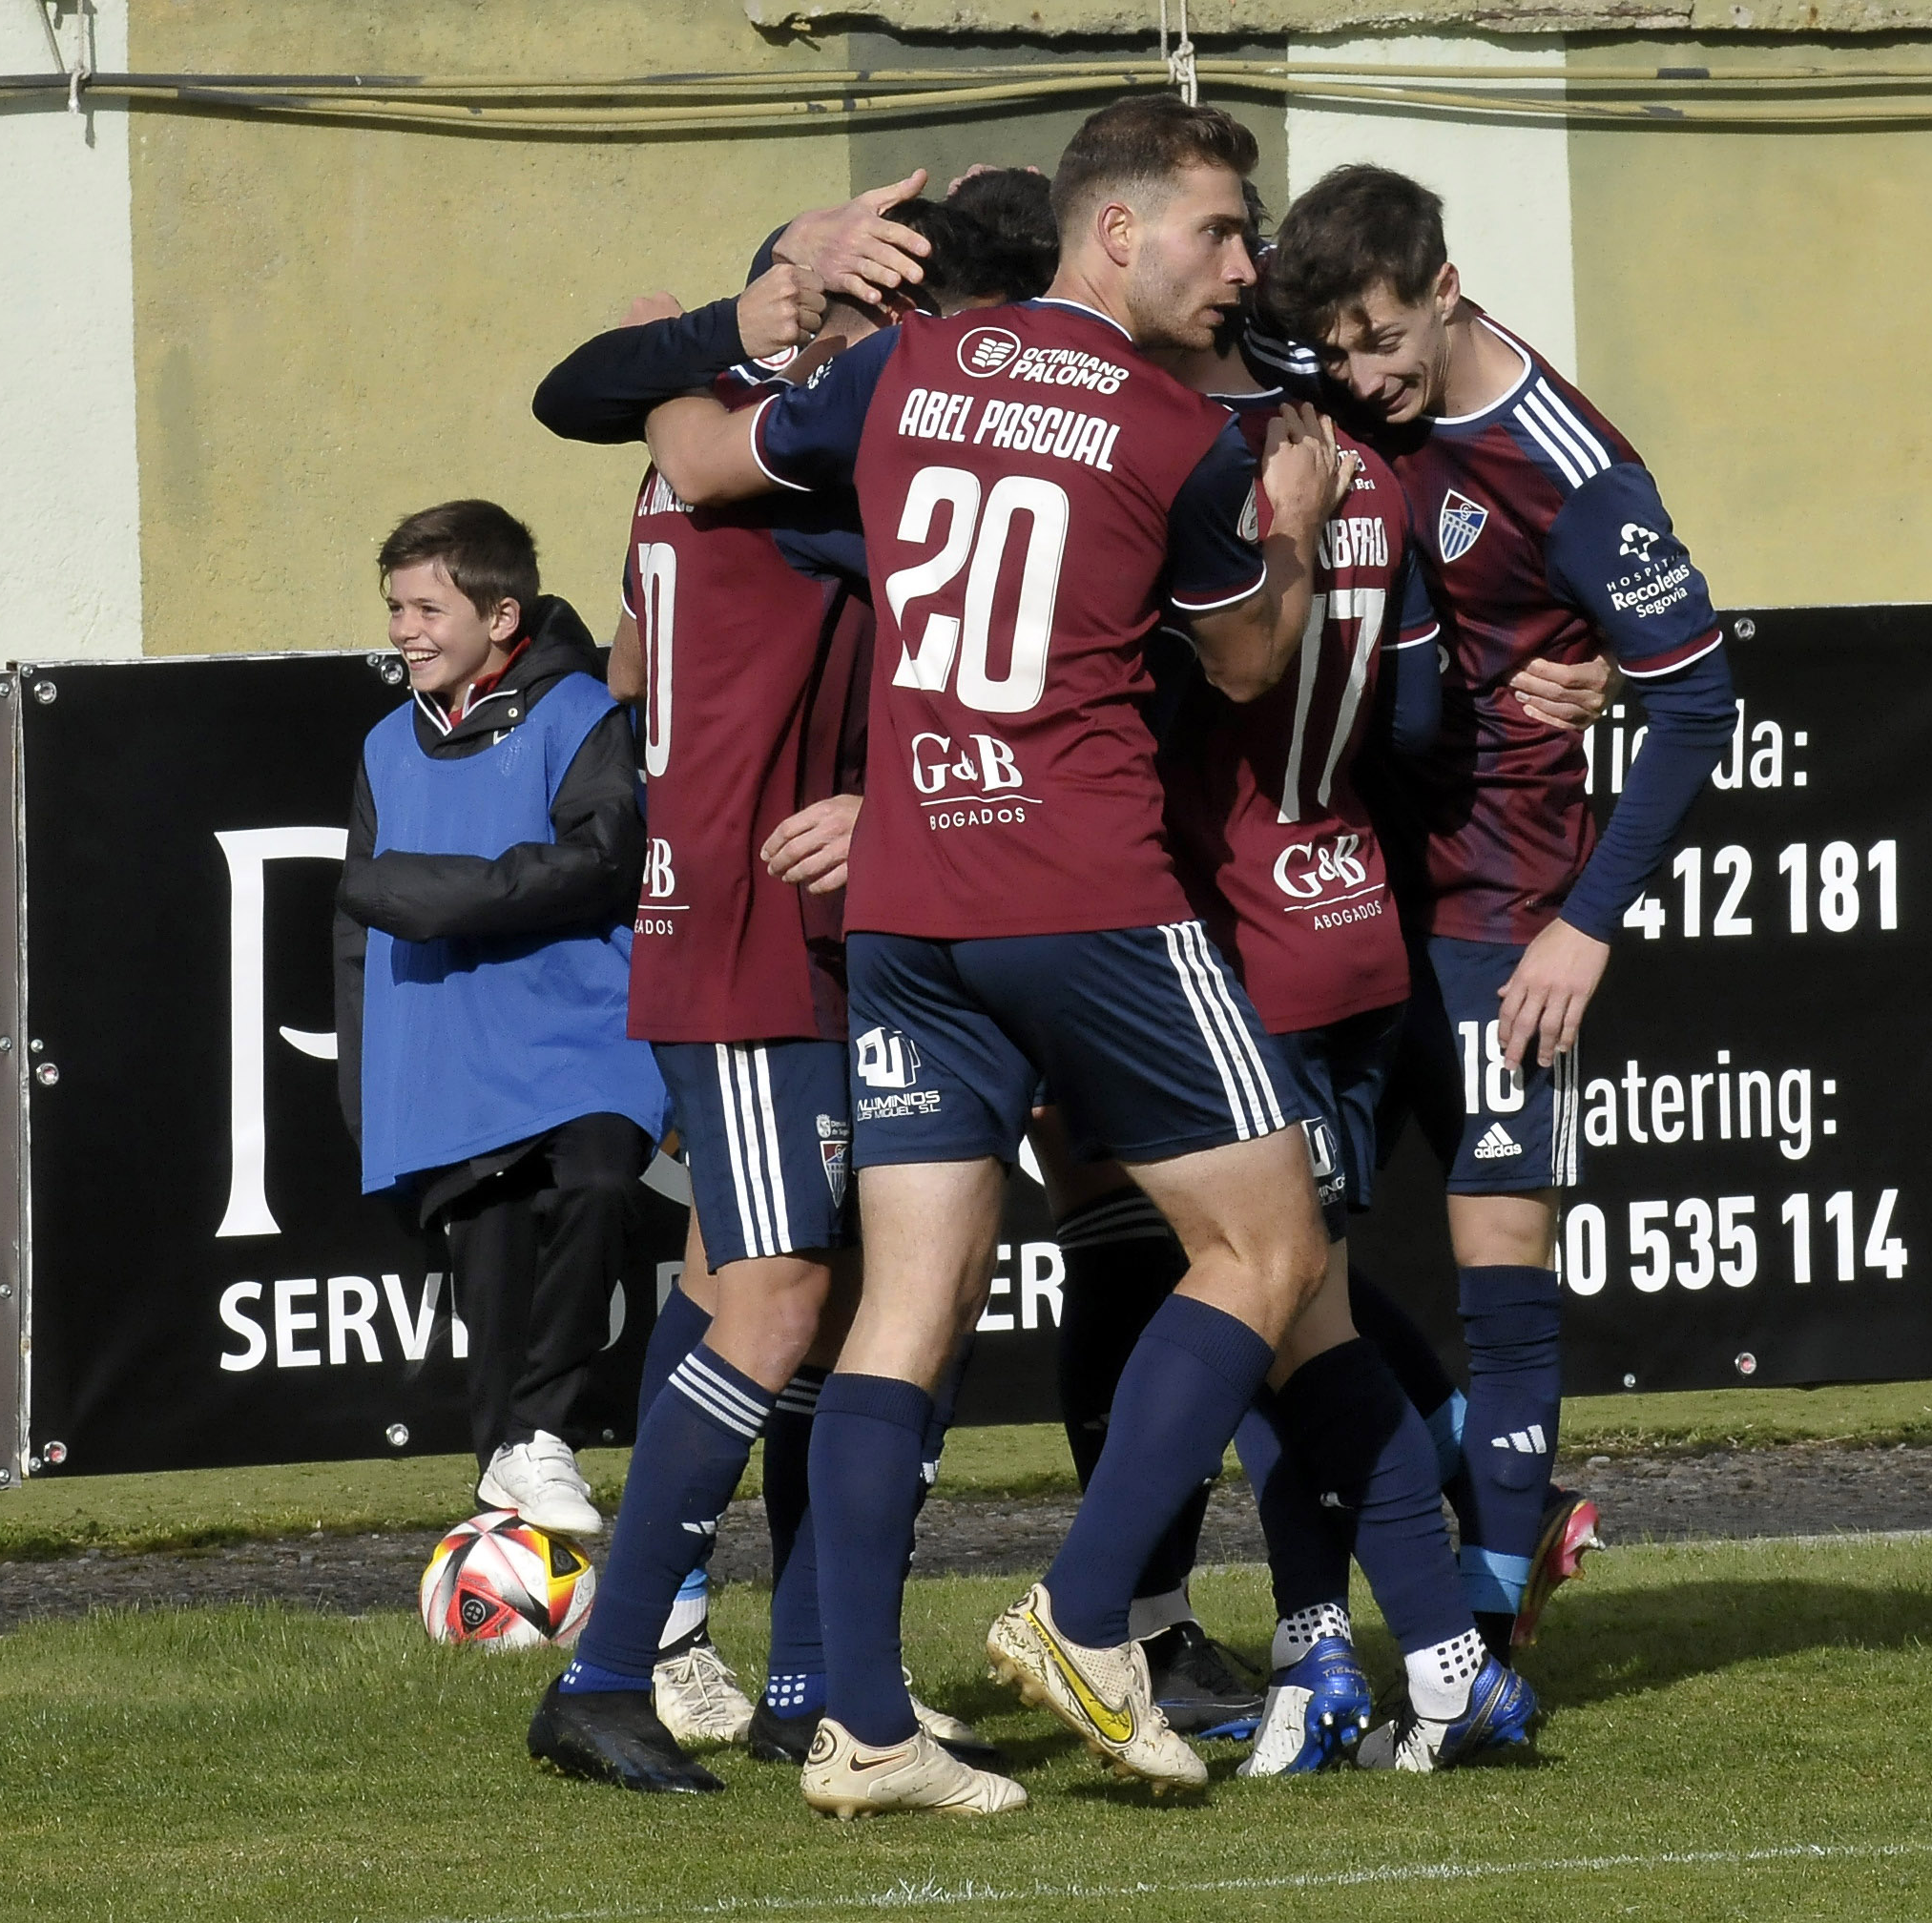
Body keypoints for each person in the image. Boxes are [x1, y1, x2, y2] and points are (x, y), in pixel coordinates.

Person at [641, 93, 1541, 1818]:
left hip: (908, 904)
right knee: (1272, 1250)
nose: (1245, 263)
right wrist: (1282, 522)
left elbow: (699, 459)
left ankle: (864, 1724)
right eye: (1219, 229)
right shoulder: (1169, 430)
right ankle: (1077, 1615)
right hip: (1088, 892)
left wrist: (706, 334)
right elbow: (1250, 669)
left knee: (906, 1312)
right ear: (1115, 229)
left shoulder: (911, 368)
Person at [523, 203, 1015, 1794]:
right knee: (788, 1302)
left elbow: (634, 663)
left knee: (805, 1292)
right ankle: (612, 1664)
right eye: (882, 322)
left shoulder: (719, 443)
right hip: (747, 930)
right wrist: (761, 320)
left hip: (779, 924)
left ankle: (807, 1675)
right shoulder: (802, 452)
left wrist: (727, 340)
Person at [1266, 165, 1736, 1659]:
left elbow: (1697, 692)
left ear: (1447, 290)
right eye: (1337, 351)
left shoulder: (1572, 468)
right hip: (1335, 887)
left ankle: (1483, 1614)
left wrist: (1584, 925)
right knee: (1278, 1249)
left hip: (1498, 905)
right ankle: (1484, 1486)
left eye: (1384, 342)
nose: (1360, 379)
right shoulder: (1322, 384)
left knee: (1496, 1239)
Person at [331, 500, 665, 1538]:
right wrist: (363, 1083)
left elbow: (604, 864)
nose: (404, 630)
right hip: (444, 1051)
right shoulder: (388, 744)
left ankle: (543, 1436)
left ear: (502, 615)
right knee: (491, 1274)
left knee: (604, 1180)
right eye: (395, 608)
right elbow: (356, 926)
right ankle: (504, 1521)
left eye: (428, 608)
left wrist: (436, 894)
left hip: (582, 1034)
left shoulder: (579, 713)